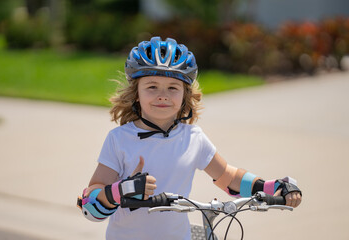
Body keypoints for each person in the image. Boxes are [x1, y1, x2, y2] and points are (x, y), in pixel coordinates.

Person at [77, 36, 302, 240]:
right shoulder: (120, 139)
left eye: (173, 87)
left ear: (185, 95)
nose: (162, 95)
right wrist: (122, 190)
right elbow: (90, 203)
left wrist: (272, 187)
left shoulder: (193, 138)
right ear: (136, 93)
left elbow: (227, 176)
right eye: (152, 86)